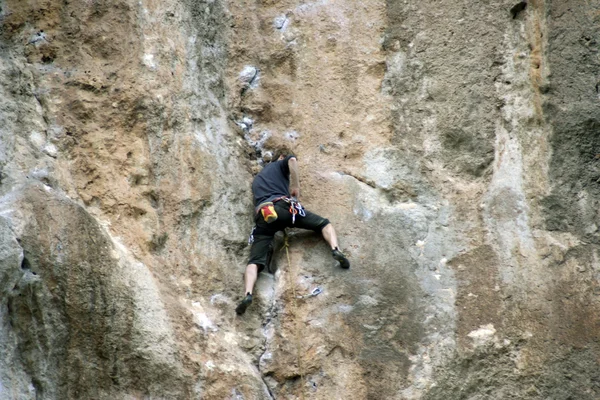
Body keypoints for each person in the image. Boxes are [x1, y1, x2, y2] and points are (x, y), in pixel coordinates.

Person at [236, 153, 349, 315]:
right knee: (324, 224)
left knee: (254, 261)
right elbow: (292, 160)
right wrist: (295, 186)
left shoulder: (258, 180)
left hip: (263, 215)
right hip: (284, 207)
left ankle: (248, 293)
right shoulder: (280, 164)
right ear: (280, 156)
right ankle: (335, 249)